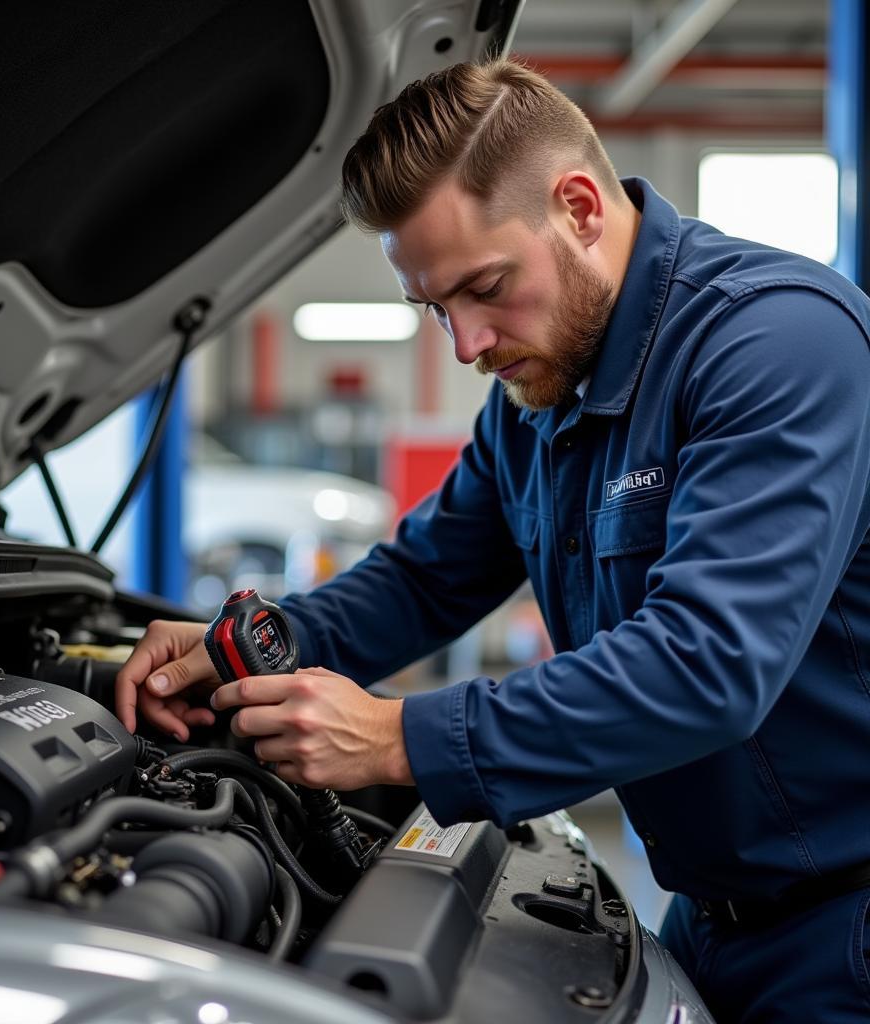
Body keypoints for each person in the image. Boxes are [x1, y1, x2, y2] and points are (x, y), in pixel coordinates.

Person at [115, 59, 870, 1022]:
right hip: (709, 919)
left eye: (485, 287)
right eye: (434, 308)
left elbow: (708, 665)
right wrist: (253, 650)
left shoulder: (776, 345)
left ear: (581, 207)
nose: (466, 345)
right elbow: (426, 578)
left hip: (845, 933)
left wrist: (398, 738)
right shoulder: (536, 390)